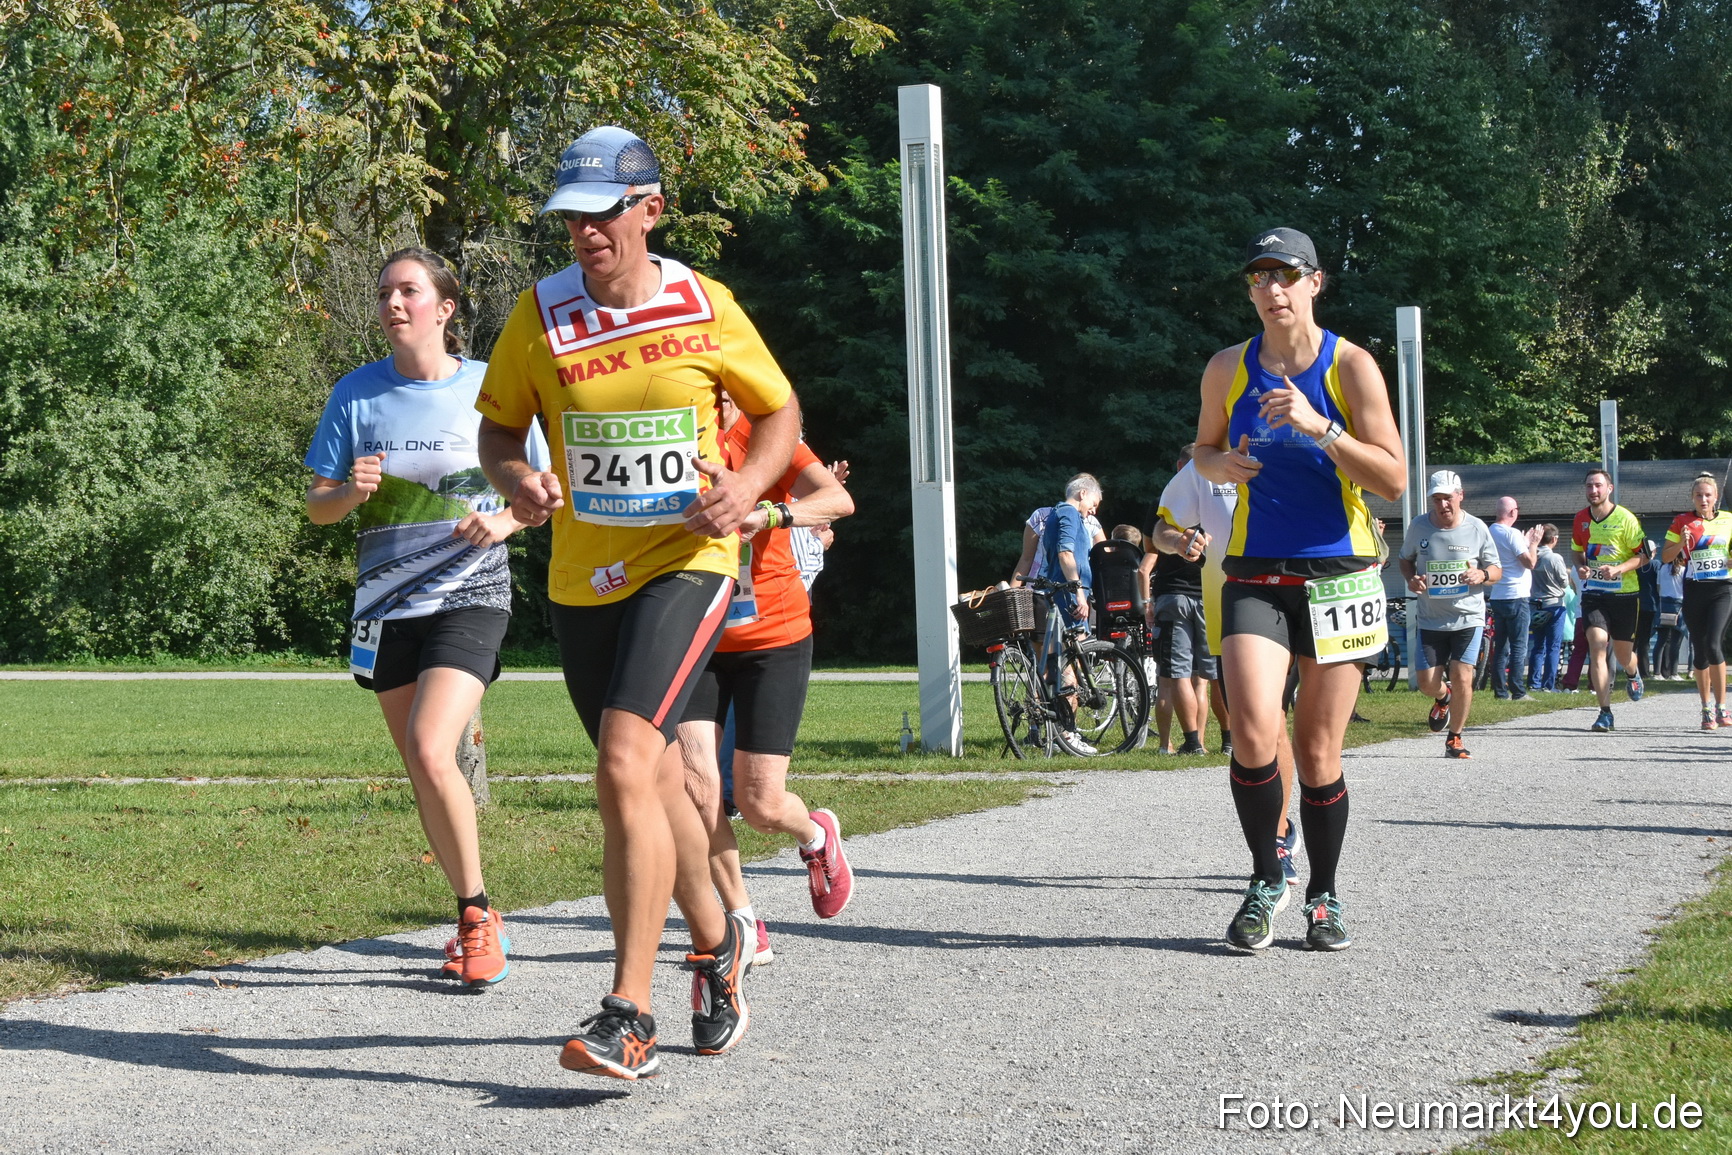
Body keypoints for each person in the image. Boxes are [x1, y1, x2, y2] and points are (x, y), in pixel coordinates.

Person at [476, 126, 801, 1080]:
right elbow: (501, 431)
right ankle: (717, 947)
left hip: (689, 559)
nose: (584, 233)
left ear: (650, 209)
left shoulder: (706, 304)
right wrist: (519, 481)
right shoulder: (538, 316)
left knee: (623, 763)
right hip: (585, 579)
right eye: (569, 217)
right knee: (655, 784)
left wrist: (746, 490)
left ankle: (631, 1012)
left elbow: (779, 413)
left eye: (602, 213)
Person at [305, 247, 549, 988]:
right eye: (384, 293)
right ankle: (472, 908)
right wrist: (350, 489)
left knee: (431, 744)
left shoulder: (489, 390)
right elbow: (318, 507)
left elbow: (544, 490)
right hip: (386, 606)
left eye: (408, 291)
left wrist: (505, 521)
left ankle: (477, 916)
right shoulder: (355, 395)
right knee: (422, 762)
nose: (392, 303)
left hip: (472, 595)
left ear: (445, 308)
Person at [1193, 226, 1406, 953]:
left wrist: (1322, 429)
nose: (1271, 289)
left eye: (1285, 275)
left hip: (1338, 572)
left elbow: (1393, 477)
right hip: (1255, 566)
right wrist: (1220, 465)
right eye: (1258, 277)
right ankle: (1265, 877)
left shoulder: (1352, 367)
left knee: (1317, 751)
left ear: (1316, 282)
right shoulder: (1228, 366)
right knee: (1253, 729)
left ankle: (1325, 894)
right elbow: (1203, 446)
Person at [677, 395, 855, 970]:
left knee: (759, 803)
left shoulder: (766, 441)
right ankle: (744, 922)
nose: (719, 397)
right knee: (698, 789)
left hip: (771, 636)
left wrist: (772, 514)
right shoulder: (669, 440)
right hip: (692, 634)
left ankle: (814, 835)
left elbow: (837, 499)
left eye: (729, 386)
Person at [1398, 472, 1501, 758]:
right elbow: (1405, 560)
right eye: (1436, 499)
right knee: (1426, 683)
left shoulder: (1478, 528)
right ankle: (1443, 698)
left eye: (1447, 498)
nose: (1442, 505)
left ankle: (1455, 738)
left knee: (1462, 675)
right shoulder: (1419, 526)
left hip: (1468, 617)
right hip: (1431, 618)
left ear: (1460, 495)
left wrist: (1481, 574)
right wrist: (1411, 579)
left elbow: (1496, 570)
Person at [1146, 449, 1222, 756]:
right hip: (1208, 593)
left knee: (1175, 674)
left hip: (1173, 594)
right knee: (1204, 679)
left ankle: (1189, 742)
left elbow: (1150, 548)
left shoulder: (1165, 502)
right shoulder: (1219, 501)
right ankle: (1212, 741)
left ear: (1180, 467)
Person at [1570, 468, 1650, 732]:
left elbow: (1644, 556)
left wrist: (1618, 569)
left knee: (1624, 655)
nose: (1593, 491)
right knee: (1598, 645)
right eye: (1589, 486)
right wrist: (1582, 567)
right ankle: (1605, 712)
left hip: (1625, 594)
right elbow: (1577, 553)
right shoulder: (1581, 519)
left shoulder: (1626, 519)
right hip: (1594, 593)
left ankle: (1632, 672)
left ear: (1609, 489)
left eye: (1598, 486)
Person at [1661, 473, 1732, 730]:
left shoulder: (1728, 520)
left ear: (1716, 498)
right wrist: (1681, 541)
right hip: (1694, 589)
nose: (1704, 499)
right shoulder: (1682, 521)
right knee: (1700, 651)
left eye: (1708, 495)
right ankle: (1706, 709)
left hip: (1723, 589)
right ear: (1692, 497)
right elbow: (1667, 557)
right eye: (1699, 495)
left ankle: (1722, 706)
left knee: (1714, 644)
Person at [1486, 496, 1539, 701]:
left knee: (1501, 646)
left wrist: (1523, 543)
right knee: (1519, 645)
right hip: (1516, 596)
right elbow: (1529, 563)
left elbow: (1507, 554)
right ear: (1512, 512)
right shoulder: (1512, 532)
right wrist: (1533, 544)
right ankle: (1518, 691)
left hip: (1498, 595)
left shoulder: (1490, 532)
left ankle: (1500, 691)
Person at [1011, 476, 1106, 586]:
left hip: (1078, 592)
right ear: (1082, 493)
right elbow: (1026, 559)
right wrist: (1010, 595)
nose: (1094, 511)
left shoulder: (1092, 523)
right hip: (1040, 592)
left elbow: (1105, 559)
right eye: (1094, 504)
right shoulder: (1041, 517)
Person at [1527, 524, 1571, 692]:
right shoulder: (1555, 558)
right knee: (1553, 646)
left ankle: (1533, 683)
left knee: (1538, 645)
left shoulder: (1531, 555)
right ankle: (1548, 684)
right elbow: (1564, 582)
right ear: (1554, 539)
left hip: (1535, 604)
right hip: (1554, 605)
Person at [1654, 548, 1685, 681]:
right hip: (1679, 604)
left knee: (1661, 640)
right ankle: (1673, 673)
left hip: (1664, 603)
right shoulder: (1683, 570)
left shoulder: (1662, 569)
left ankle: (1656, 673)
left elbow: (1658, 587)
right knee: (1676, 641)